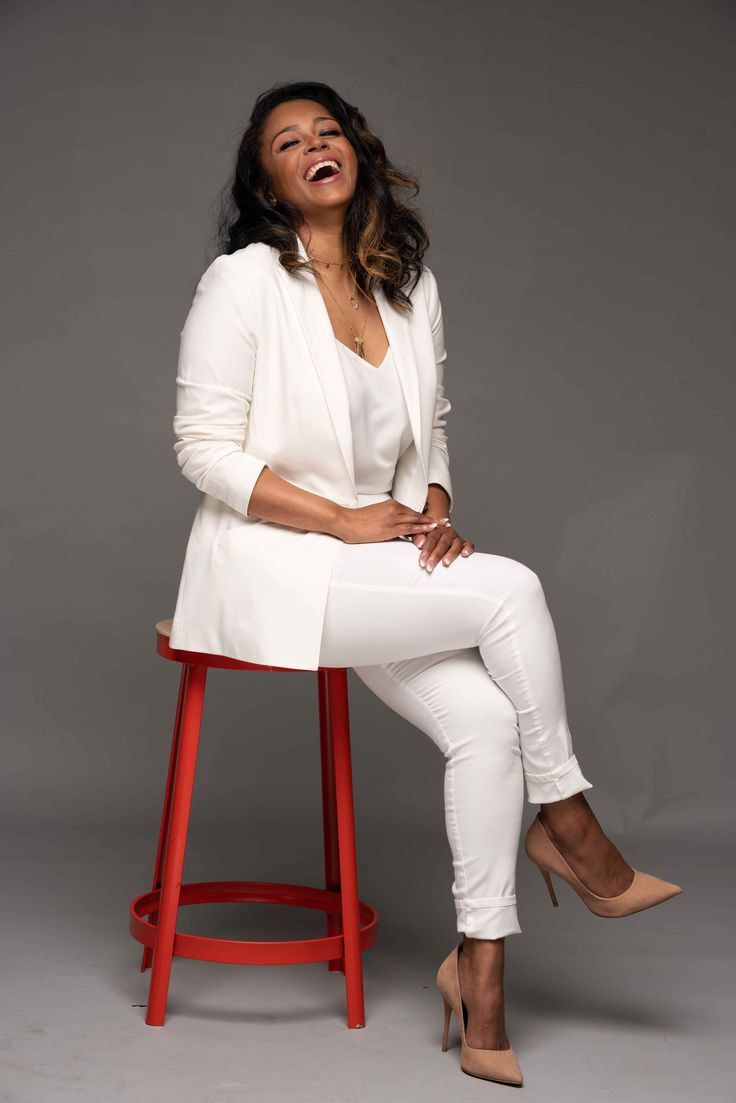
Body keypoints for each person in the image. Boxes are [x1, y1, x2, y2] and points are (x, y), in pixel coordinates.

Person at [169, 80, 682, 1087]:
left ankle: (478, 973)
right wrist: (343, 519)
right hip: (274, 563)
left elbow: (430, 422)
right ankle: (571, 824)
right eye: (287, 141)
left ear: (354, 150)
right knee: (513, 589)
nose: (314, 145)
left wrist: (432, 507)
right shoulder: (242, 282)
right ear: (268, 181)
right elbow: (200, 449)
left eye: (328, 131)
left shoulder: (407, 282)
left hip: (381, 558)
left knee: (487, 723)